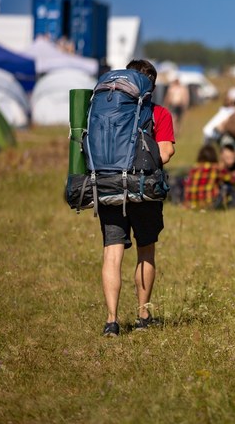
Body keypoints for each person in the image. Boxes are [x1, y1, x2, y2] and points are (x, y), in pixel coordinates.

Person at [100, 59, 175, 337]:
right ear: (151, 86)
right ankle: (143, 314)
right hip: (143, 189)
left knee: (112, 253)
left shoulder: (107, 111)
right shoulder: (159, 113)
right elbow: (165, 153)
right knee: (146, 250)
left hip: (107, 185)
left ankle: (111, 321)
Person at [183, 144, 233, 209]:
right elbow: (230, 178)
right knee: (227, 186)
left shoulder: (194, 168)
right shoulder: (216, 168)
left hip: (191, 203)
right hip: (209, 203)